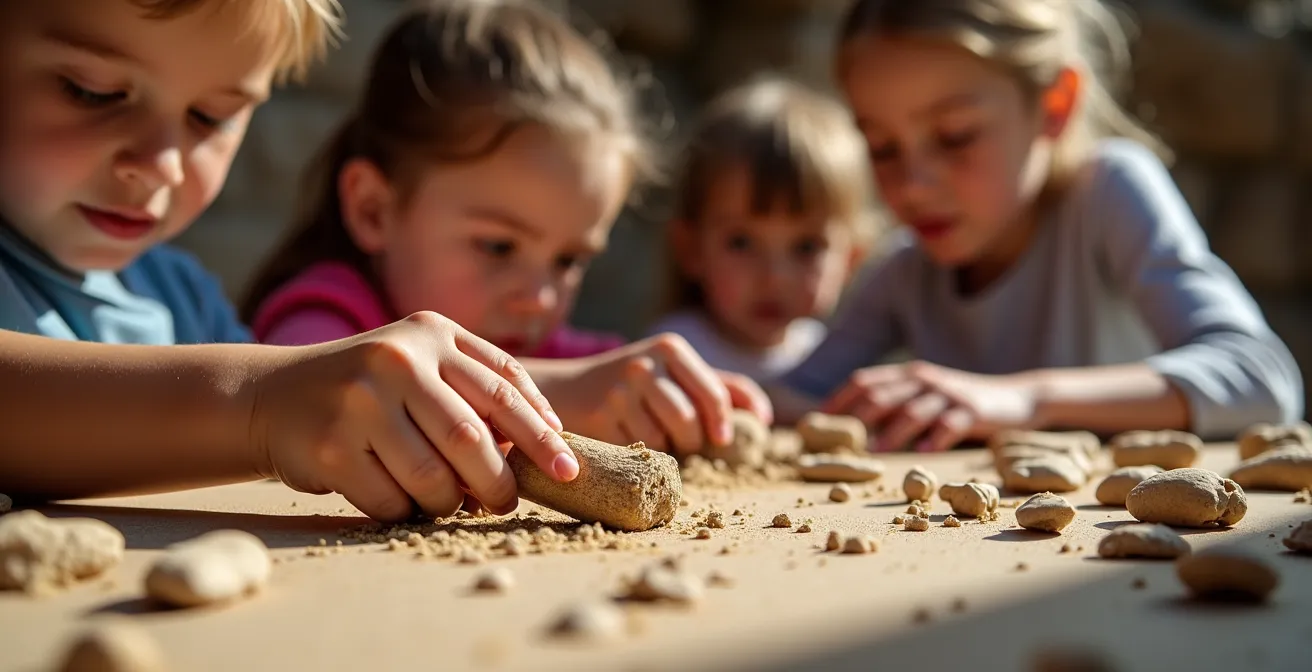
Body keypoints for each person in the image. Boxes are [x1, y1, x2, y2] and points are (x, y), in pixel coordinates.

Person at [0, 0, 770, 523]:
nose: (161, 162)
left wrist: (555, 399)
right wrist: (264, 407)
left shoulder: (182, 297)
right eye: (90, 90)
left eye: (211, 115)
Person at [772, 0, 1303, 450]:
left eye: (955, 135)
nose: (912, 186)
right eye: (882, 147)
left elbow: (1261, 377)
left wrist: (1024, 398)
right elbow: (805, 397)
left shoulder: (1107, 193)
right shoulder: (907, 268)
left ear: (1055, 103)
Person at [242, 0, 647, 361]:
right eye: (498, 246)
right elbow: (339, 402)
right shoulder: (321, 334)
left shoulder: (562, 358)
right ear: (374, 211)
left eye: (568, 261)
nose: (538, 300)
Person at [648, 76, 875, 383]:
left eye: (806, 246)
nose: (775, 276)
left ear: (851, 259)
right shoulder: (673, 353)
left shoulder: (828, 358)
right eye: (742, 242)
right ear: (691, 249)